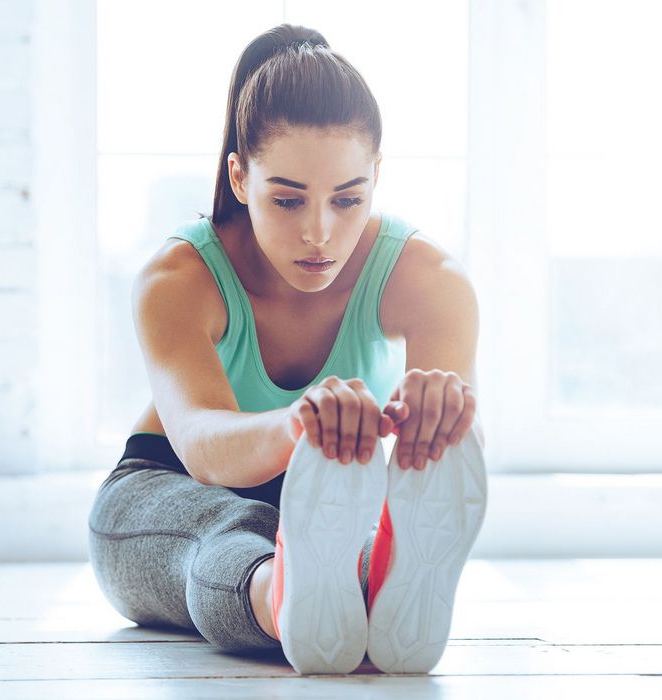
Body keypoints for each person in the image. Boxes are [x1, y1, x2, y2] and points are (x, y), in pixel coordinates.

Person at [87, 22, 486, 674]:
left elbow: (441, 471)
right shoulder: (178, 279)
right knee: (231, 540)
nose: (319, 233)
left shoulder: (429, 281)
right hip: (168, 486)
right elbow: (199, 444)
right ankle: (288, 596)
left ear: (376, 177)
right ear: (240, 178)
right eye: (288, 199)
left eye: (347, 198)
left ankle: (369, 581)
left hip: (328, 500)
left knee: (355, 554)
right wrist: (297, 424)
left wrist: (440, 417)